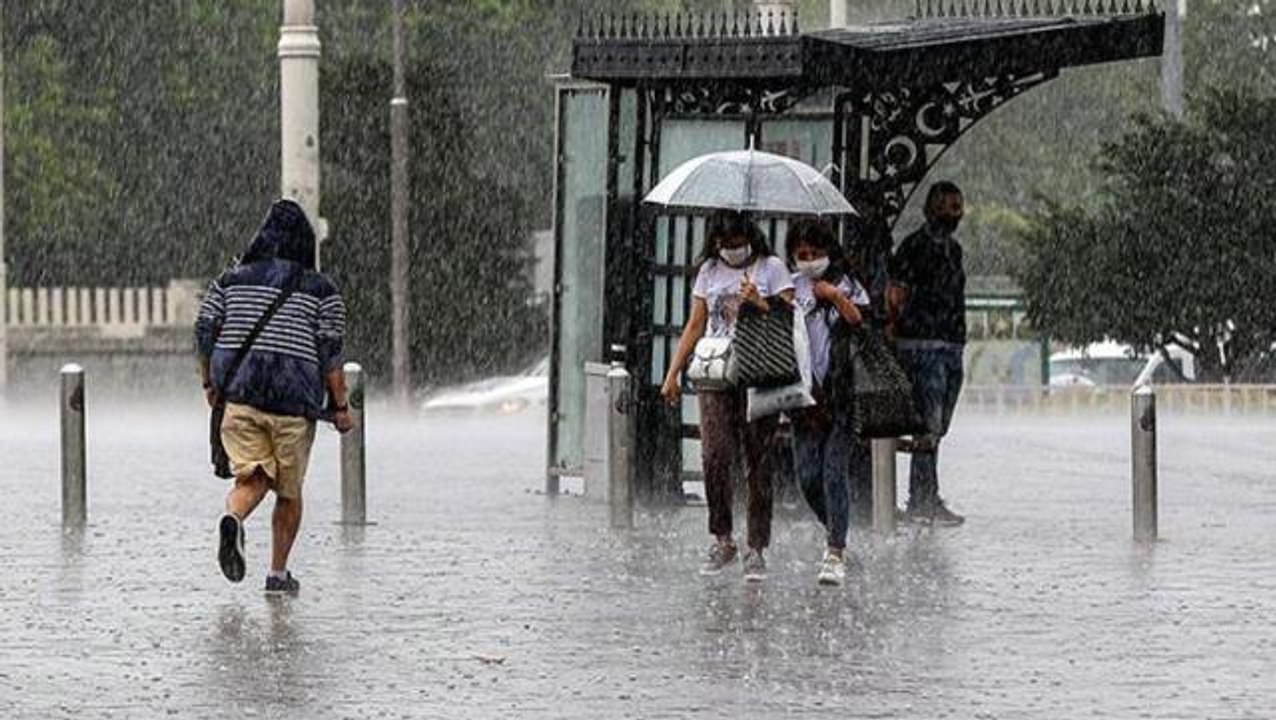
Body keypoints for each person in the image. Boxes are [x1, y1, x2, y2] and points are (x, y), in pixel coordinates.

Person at [195, 198, 354, 595]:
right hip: (293, 405)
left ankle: (233, 516)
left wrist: (210, 383)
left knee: (254, 476)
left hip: (241, 397)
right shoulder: (322, 291)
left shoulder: (230, 280)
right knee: (288, 491)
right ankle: (277, 575)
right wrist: (341, 408)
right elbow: (330, 355)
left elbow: (204, 332)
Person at [660, 210, 795, 582]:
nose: (731, 251)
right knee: (714, 454)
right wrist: (673, 372)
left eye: (737, 244)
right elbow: (696, 323)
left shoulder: (771, 268)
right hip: (717, 372)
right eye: (724, 245)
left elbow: (790, 317)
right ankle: (723, 537)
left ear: (749, 237)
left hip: (758, 372)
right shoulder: (709, 271)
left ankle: (756, 545)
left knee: (757, 459)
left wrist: (759, 302)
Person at [786, 219, 869, 586]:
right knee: (807, 476)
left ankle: (835, 550)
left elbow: (861, 322)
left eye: (815, 254)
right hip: (804, 398)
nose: (808, 261)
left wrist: (834, 295)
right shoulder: (789, 286)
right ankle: (837, 528)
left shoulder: (847, 282)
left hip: (841, 395)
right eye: (802, 255)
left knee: (834, 471)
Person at [886, 181, 967, 526]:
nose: (955, 213)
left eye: (958, 206)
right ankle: (922, 497)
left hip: (950, 345)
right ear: (931, 209)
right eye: (948, 206)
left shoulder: (954, 250)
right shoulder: (913, 248)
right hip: (921, 346)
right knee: (927, 424)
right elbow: (896, 296)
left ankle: (925, 493)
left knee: (939, 424)